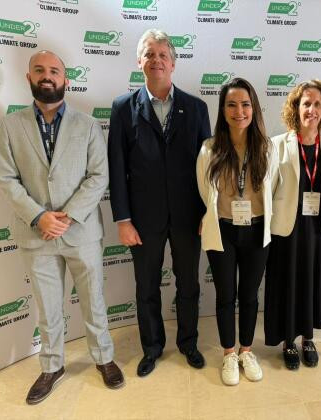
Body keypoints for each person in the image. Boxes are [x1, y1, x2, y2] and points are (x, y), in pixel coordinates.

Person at [0, 50, 124, 405]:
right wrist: (39, 217)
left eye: (54, 71)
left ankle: (104, 358)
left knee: (94, 300)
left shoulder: (87, 125)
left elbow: (99, 176)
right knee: (47, 306)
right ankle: (52, 366)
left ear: (66, 80)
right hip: (37, 235)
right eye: (40, 70)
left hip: (80, 231)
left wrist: (66, 215)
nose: (47, 76)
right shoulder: (11, 124)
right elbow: (6, 178)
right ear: (29, 78)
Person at [108, 29, 211, 377]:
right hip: (142, 219)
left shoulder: (196, 108)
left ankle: (188, 343)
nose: (156, 61)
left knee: (189, 285)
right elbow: (117, 166)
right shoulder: (123, 108)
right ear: (140, 62)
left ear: (173, 63)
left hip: (188, 217)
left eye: (163, 55)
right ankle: (152, 347)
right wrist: (122, 219)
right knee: (146, 286)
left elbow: (208, 168)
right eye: (149, 54)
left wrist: (208, 213)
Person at [197, 78, 278, 385]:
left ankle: (246, 350)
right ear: (223, 110)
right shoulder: (210, 148)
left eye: (245, 104)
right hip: (223, 231)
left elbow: (274, 190)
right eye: (231, 105)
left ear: (254, 108)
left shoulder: (267, 148)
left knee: (249, 296)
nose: (239, 111)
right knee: (225, 295)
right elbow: (204, 190)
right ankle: (229, 354)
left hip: (257, 231)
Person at [265, 79, 321, 370]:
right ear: (296, 108)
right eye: (306, 103)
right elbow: (268, 191)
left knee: (313, 282)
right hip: (287, 228)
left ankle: (308, 338)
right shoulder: (277, 144)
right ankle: (288, 341)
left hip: (318, 228)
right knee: (289, 283)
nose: (312, 109)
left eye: (317, 104)